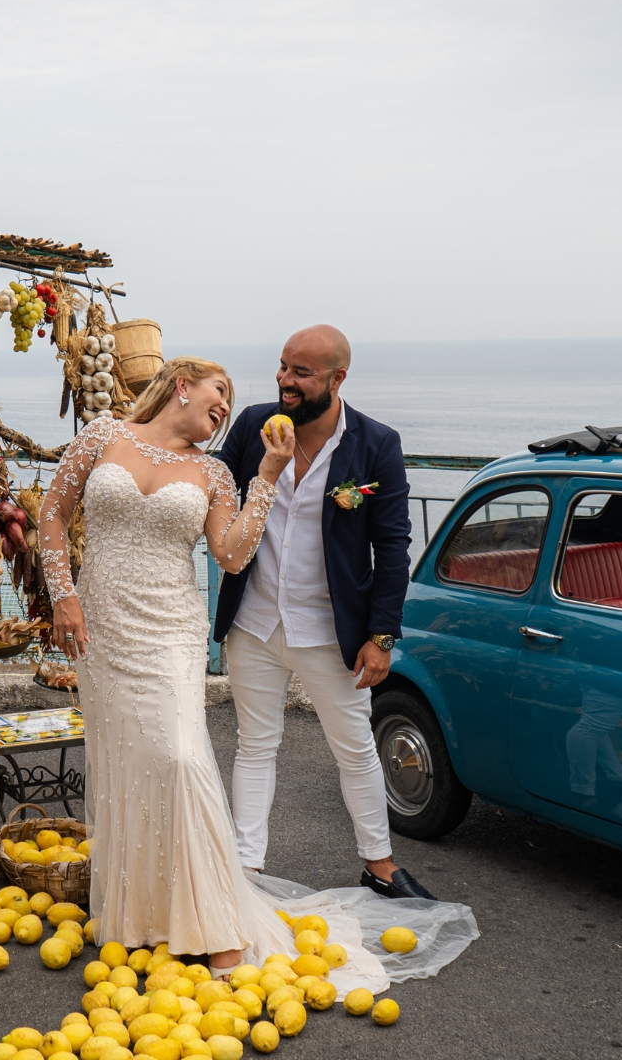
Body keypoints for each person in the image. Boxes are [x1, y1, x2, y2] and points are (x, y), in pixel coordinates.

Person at [39, 356, 358, 976]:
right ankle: (142, 916)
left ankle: (218, 925)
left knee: (182, 757)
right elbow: (53, 512)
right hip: (102, 626)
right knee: (127, 761)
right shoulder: (102, 434)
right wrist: (63, 596)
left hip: (170, 631)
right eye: (219, 392)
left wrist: (267, 474)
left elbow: (232, 556)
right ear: (180, 384)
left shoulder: (214, 472)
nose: (225, 406)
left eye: (229, 401)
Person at [212, 324, 434, 901]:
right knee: (255, 744)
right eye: (283, 366)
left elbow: (392, 545)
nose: (285, 381)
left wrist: (382, 635)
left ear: (337, 379)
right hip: (253, 621)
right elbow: (212, 494)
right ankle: (246, 872)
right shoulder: (253, 427)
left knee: (354, 746)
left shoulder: (375, 444)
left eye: (301, 373)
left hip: (331, 629)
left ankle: (380, 866)